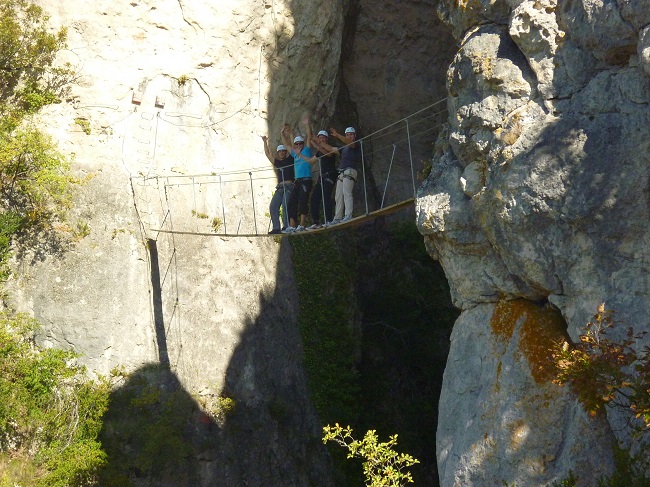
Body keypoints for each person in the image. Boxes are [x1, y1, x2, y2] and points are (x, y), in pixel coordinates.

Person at [319, 126, 361, 225]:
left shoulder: (356, 144)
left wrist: (337, 135)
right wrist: (320, 142)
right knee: (338, 196)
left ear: (354, 136)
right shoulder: (344, 148)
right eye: (347, 135)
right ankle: (337, 217)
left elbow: (350, 143)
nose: (349, 136)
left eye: (351, 134)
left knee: (347, 192)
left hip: (350, 171)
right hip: (342, 172)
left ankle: (348, 215)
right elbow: (332, 149)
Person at [280, 120, 317, 233]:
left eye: (300, 143)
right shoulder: (294, 154)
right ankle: (292, 226)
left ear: (303, 144)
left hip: (306, 180)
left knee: (303, 201)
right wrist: (282, 133)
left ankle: (301, 224)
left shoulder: (306, 150)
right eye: (297, 144)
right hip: (297, 181)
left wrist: (306, 124)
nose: (299, 145)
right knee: (292, 202)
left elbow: (309, 137)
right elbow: (287, 145)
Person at [262, 135, 294, 234]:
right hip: (280, 188)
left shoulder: (290, 159)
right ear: (278, 153)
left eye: (283, 151)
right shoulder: (277, 163)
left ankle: (286, 226)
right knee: (273, 206)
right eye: (280, 151)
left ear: (286, 152)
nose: (282, 153)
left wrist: (289, 134)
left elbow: (292, 146)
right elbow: (268, 154)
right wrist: (265, 142)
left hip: (289, 187)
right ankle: (276, 227)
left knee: (285, 205)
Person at [306, 130, 338, 229]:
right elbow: (311, 161)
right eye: (320, 138)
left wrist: (316, 145)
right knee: (314, 198)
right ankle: (316, 222)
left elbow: (328, 154)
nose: (321, 139)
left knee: (326, 197)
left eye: (323, 138)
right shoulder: (320, 151)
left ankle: (329, 220)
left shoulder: (330, 148)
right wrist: (299, 155)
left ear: (327, 139)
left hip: (330, 175)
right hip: (322, 177)